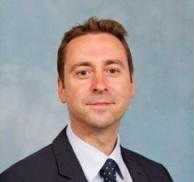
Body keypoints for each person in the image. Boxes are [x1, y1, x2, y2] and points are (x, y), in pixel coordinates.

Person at [0, 17, 173, 182]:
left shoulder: (157, 175)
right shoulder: (19, 179)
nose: (99, 85)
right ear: (61, 89)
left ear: (131, 84)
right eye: (83, 73)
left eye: (112, 70)